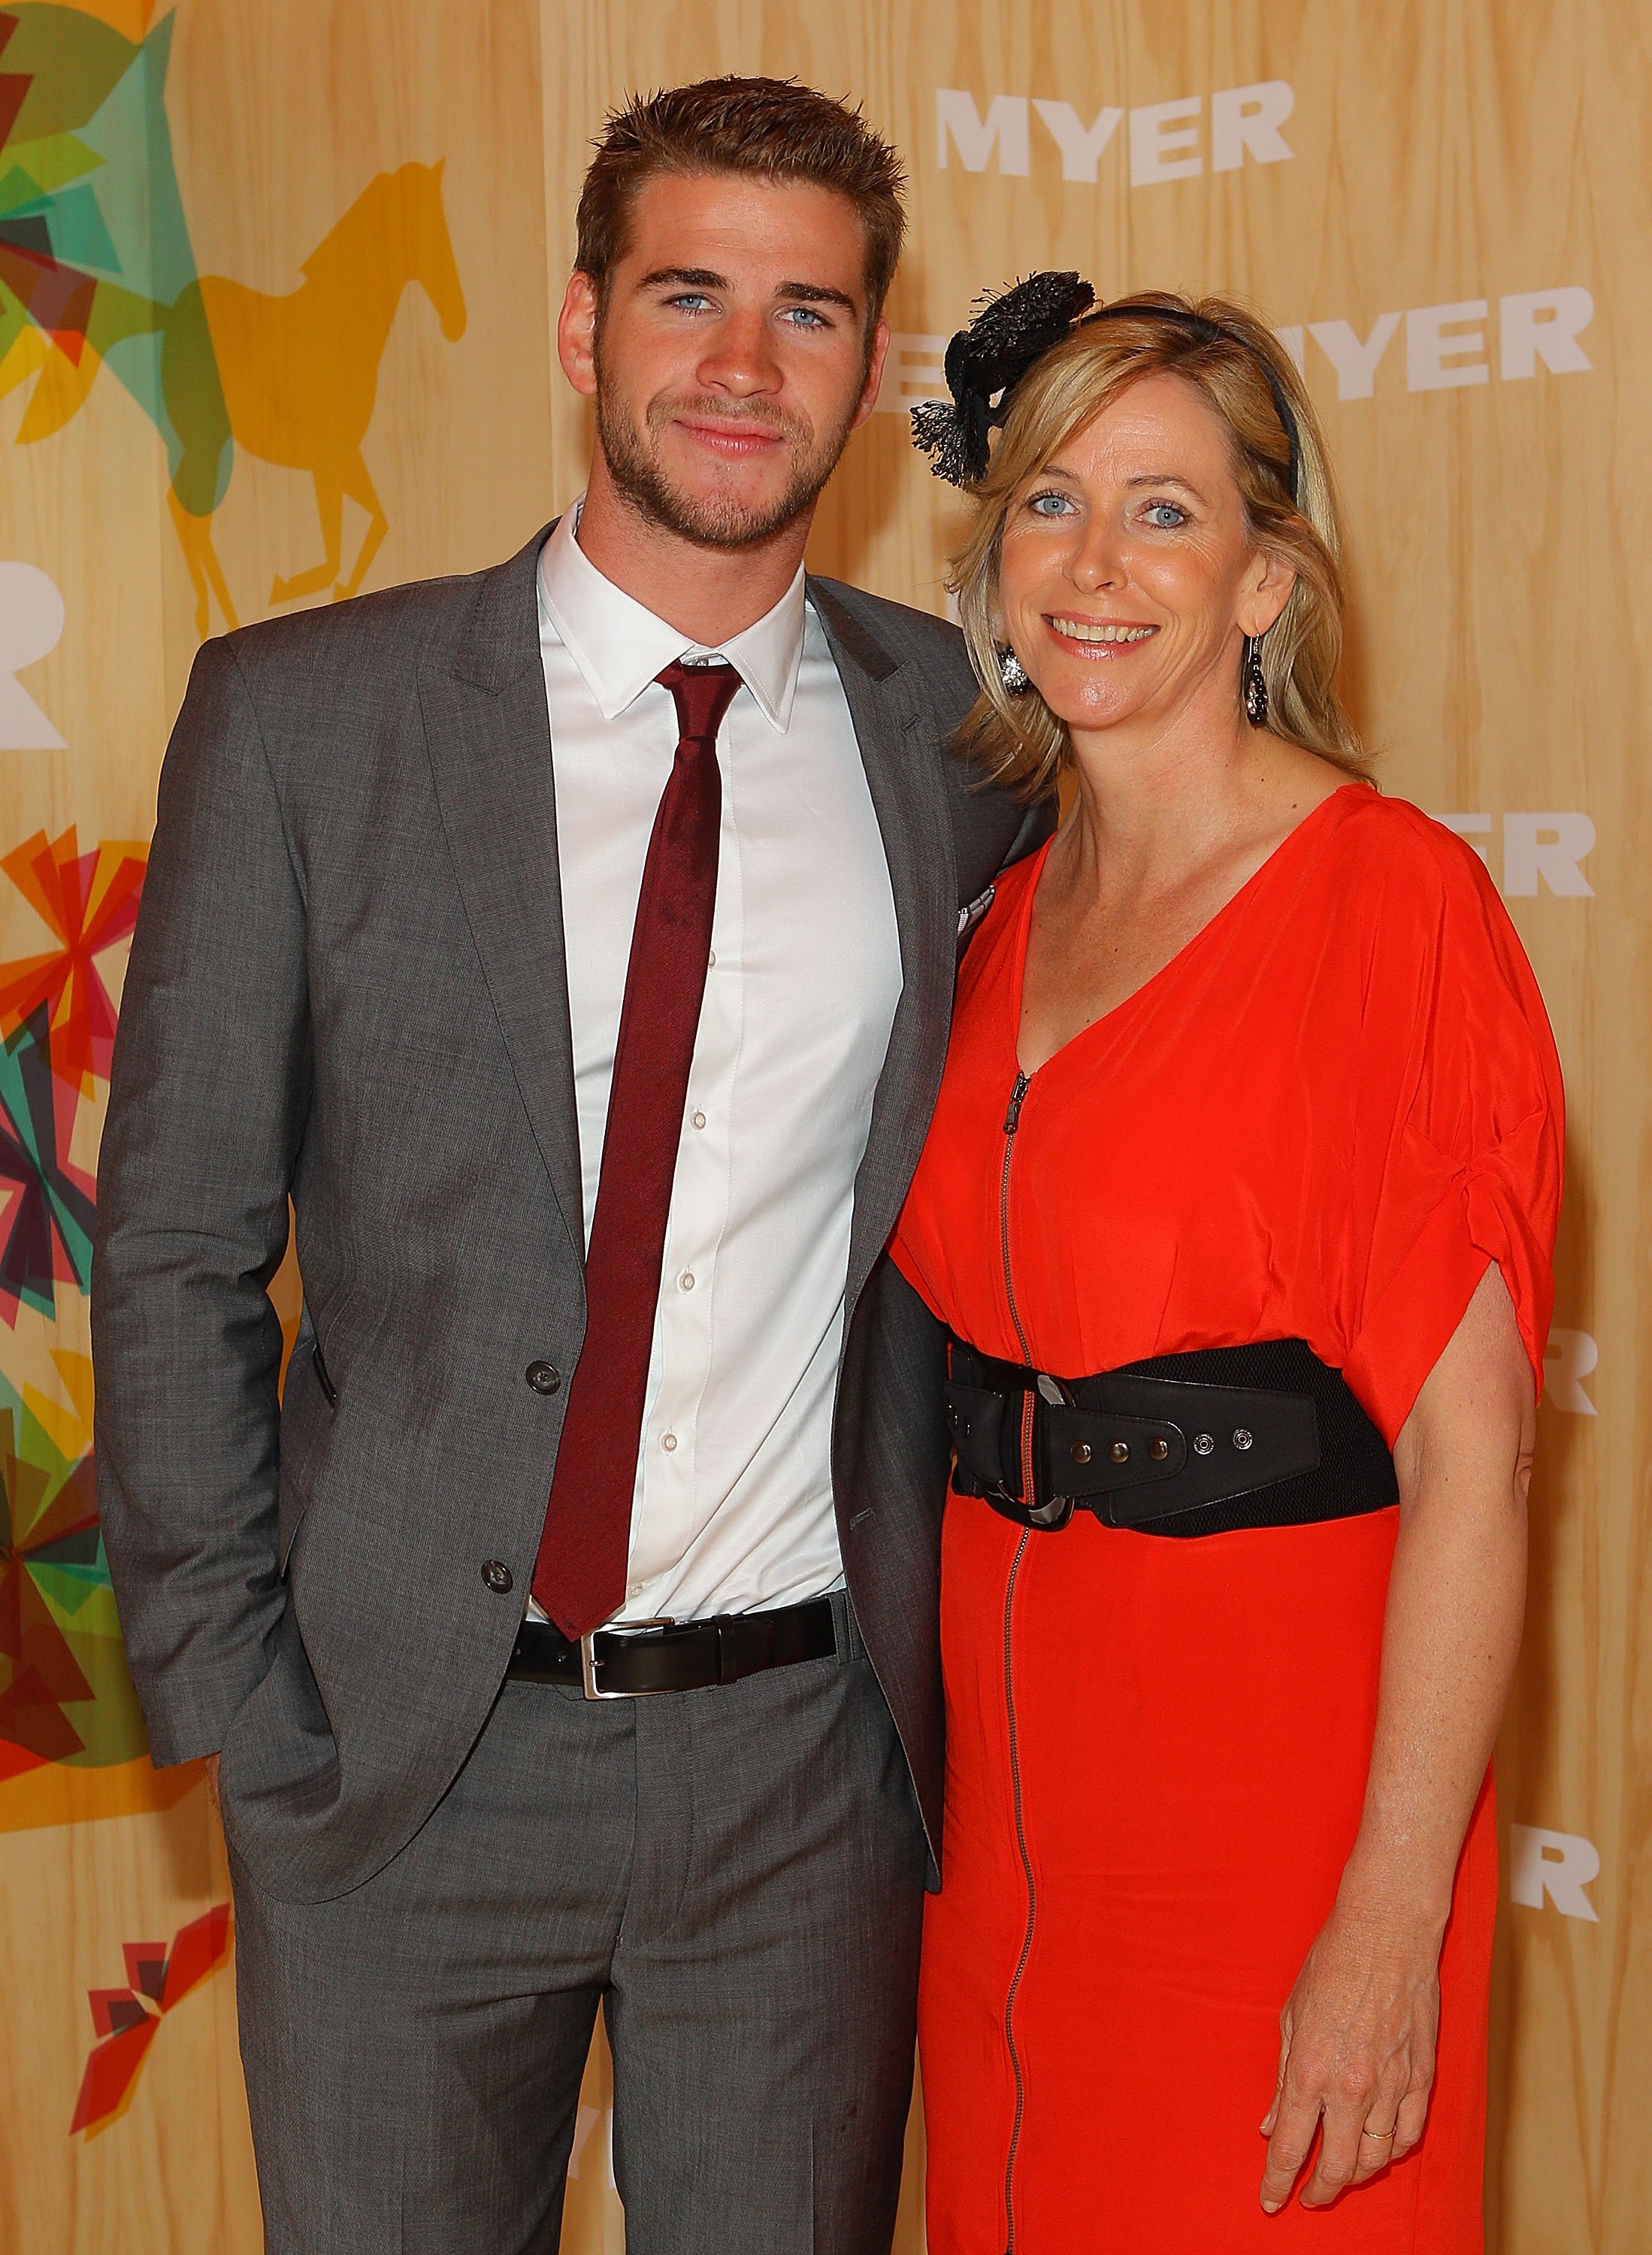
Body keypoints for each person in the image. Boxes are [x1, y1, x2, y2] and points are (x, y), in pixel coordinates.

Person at [92, 78, 1048, 2255]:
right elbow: (171, 1251)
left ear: (875, 368)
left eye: (809, 311)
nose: (742, 364)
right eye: (688, 293)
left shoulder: (959, 739)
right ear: (580, 324)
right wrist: (246, 1702)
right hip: (401, 1759)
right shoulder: (308, 720)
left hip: (805, 1767)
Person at [890, 279, 1562, 2250]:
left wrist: (1386, 1921)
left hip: (1265, 1809)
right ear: (995, 549)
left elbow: (1477, 1469)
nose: (1096, 565)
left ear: (1267, 582)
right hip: (996, 1835)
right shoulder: (996, 907)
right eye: (1051, 501)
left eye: (1167, 513)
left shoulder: (1389, 904)